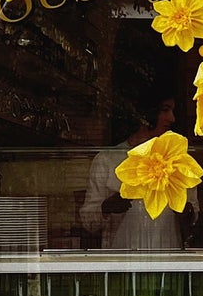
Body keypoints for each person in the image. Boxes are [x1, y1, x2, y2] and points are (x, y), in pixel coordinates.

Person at [82, 97, 192, 250]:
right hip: (122, 261)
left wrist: (185, 212)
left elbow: (193, 216)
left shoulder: (180, 161)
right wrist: (107, 207)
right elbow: (88, 223)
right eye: (165, 110)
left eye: (173, 111)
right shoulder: (107, 160)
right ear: (145, 114)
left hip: (168, 258)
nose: (172, 118)